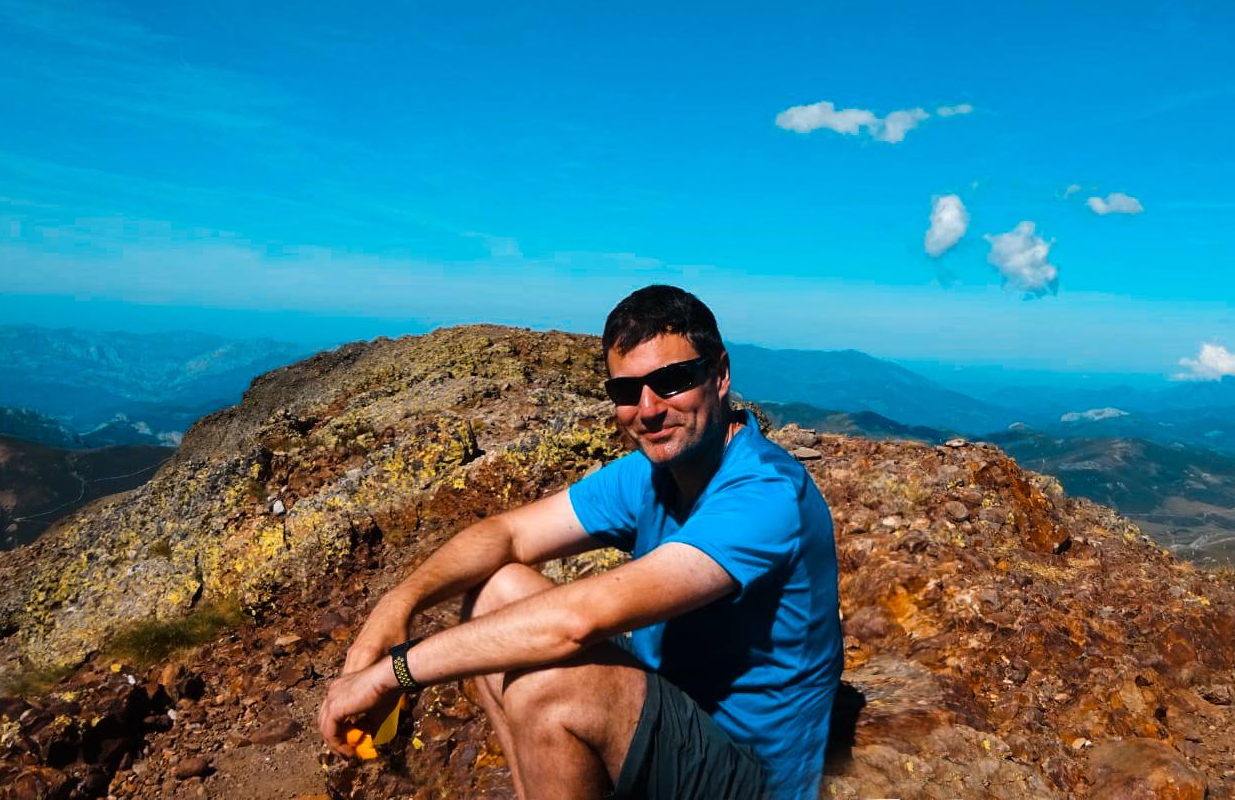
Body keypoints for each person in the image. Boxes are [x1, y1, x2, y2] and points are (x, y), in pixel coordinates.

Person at [317, 285, 843, 800]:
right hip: (675, 714)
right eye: (626, 391)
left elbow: (581, 619)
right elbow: (508, 534)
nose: (649, 408)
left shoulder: (767, 494)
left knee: (549, 689)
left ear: (719, 374)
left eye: (673, 380)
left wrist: (394, 673)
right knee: (492, 592)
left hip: (750, 774)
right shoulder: (650, 476)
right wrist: (397, 605)